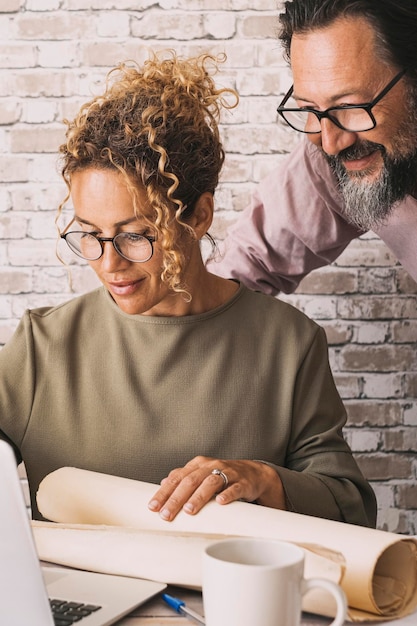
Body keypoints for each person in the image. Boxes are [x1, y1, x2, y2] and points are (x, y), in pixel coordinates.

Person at [0, 51, 376, 527]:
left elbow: (353, 509)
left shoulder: (289, 344)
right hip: (70, 604)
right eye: (90, 235)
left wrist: (264, 479)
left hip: (228, 601)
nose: (108, 263)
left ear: (198, 216)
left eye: (136, 235)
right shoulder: (41, 345)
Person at [210, 0, 417, 295]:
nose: (331, 144)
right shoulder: (338, 158)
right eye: (309, 108)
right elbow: (245, 266)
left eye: (351, 106)